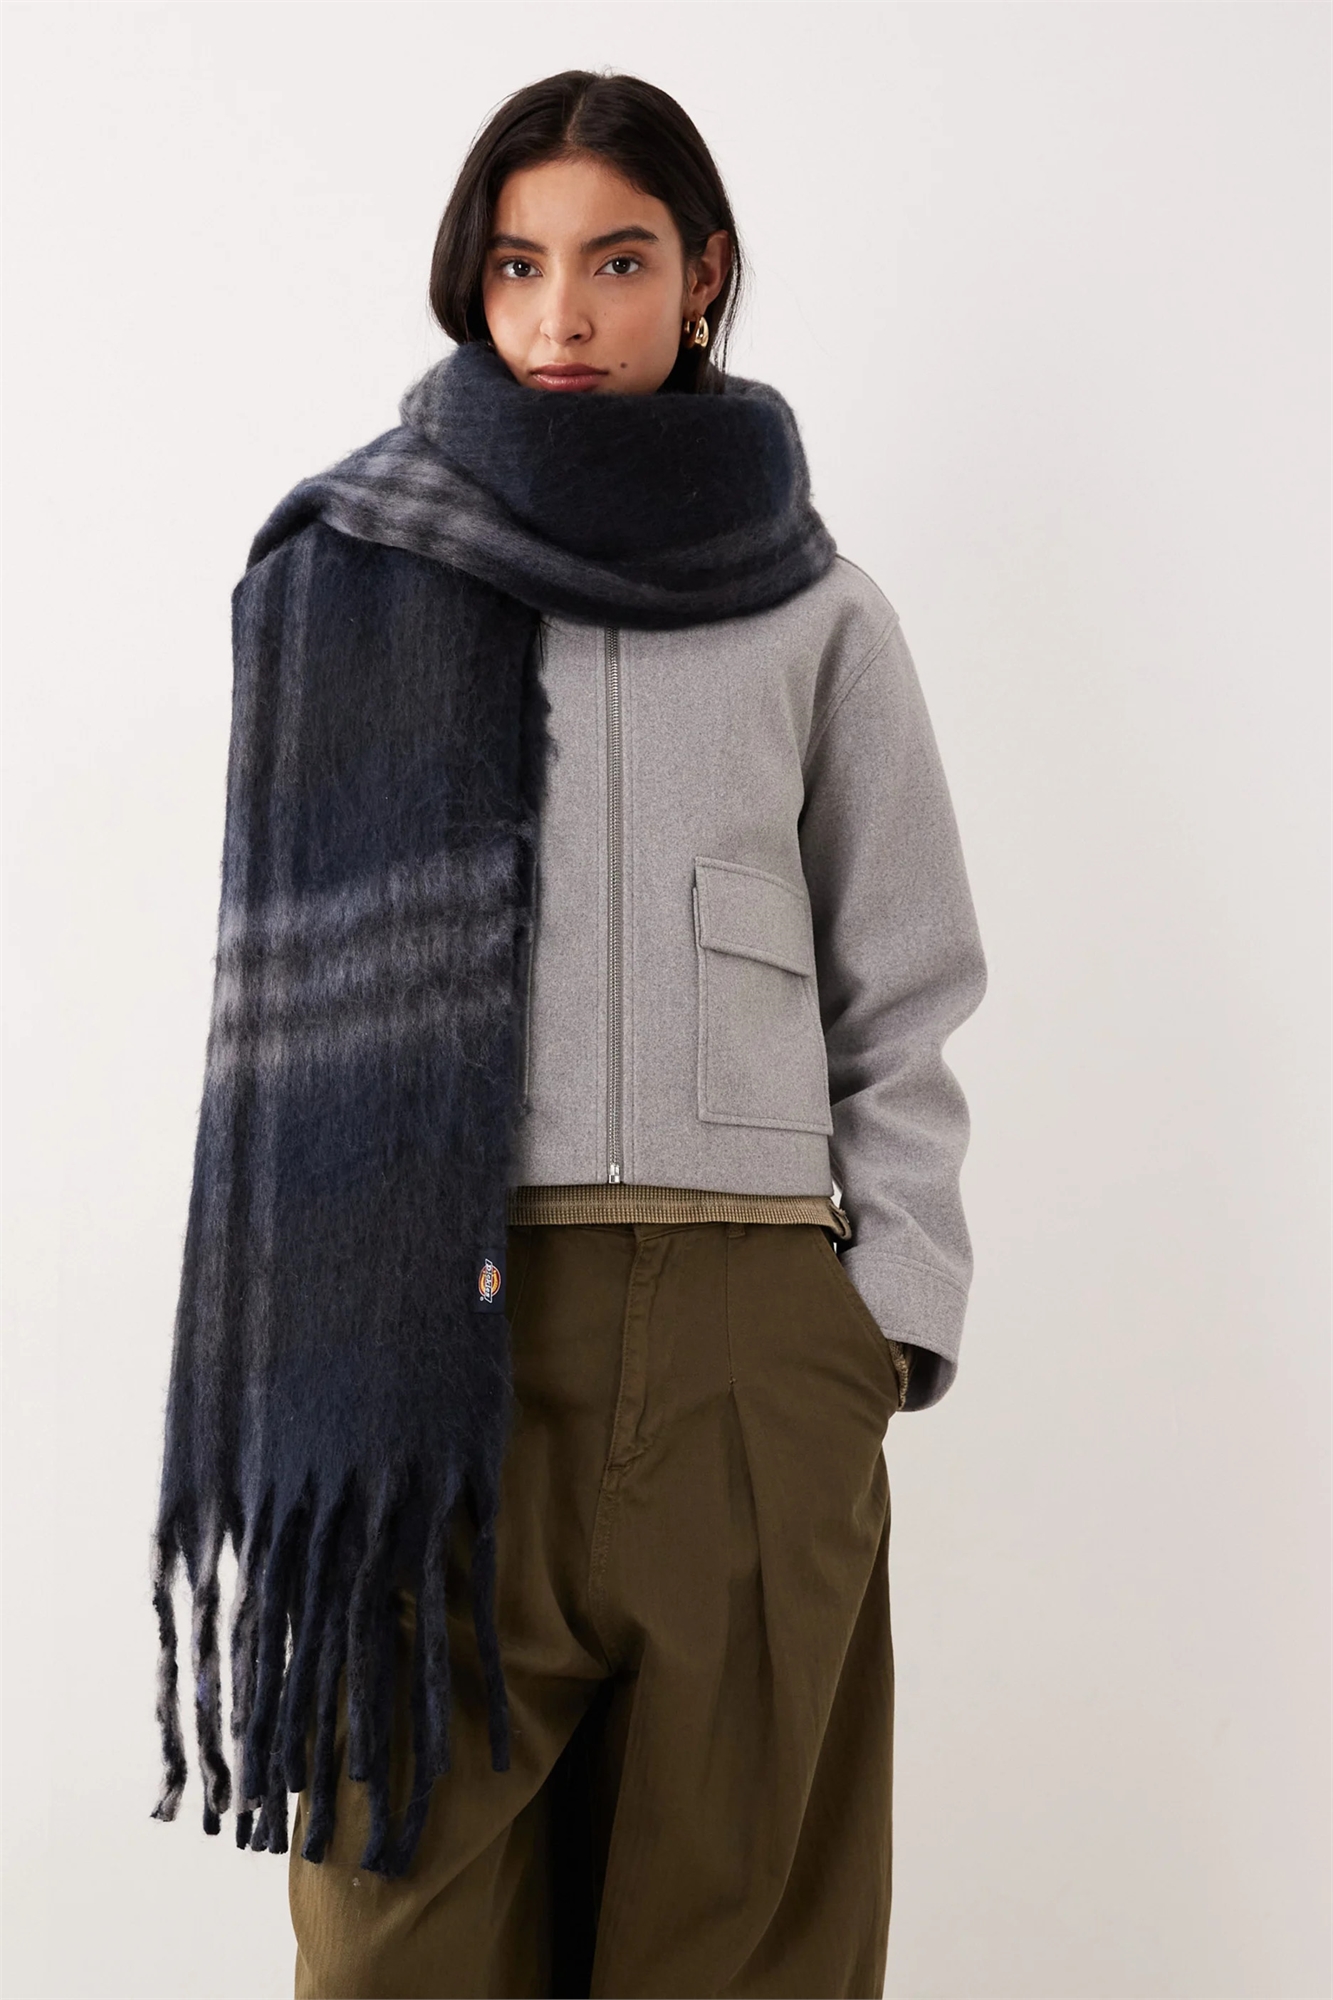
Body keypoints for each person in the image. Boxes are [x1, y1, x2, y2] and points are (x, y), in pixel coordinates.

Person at [151, 67, 986, 2000]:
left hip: (750, 1352)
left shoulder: (818, 612)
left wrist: (880, 1325)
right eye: (517, 265)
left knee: (738, 1948)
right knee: (393, 1947)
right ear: (471, 279)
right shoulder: (350, 575)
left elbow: (907, 978)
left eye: (615, 262)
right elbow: (269, 1015)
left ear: (703, 276)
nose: (561, 315)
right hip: (422, 1361)